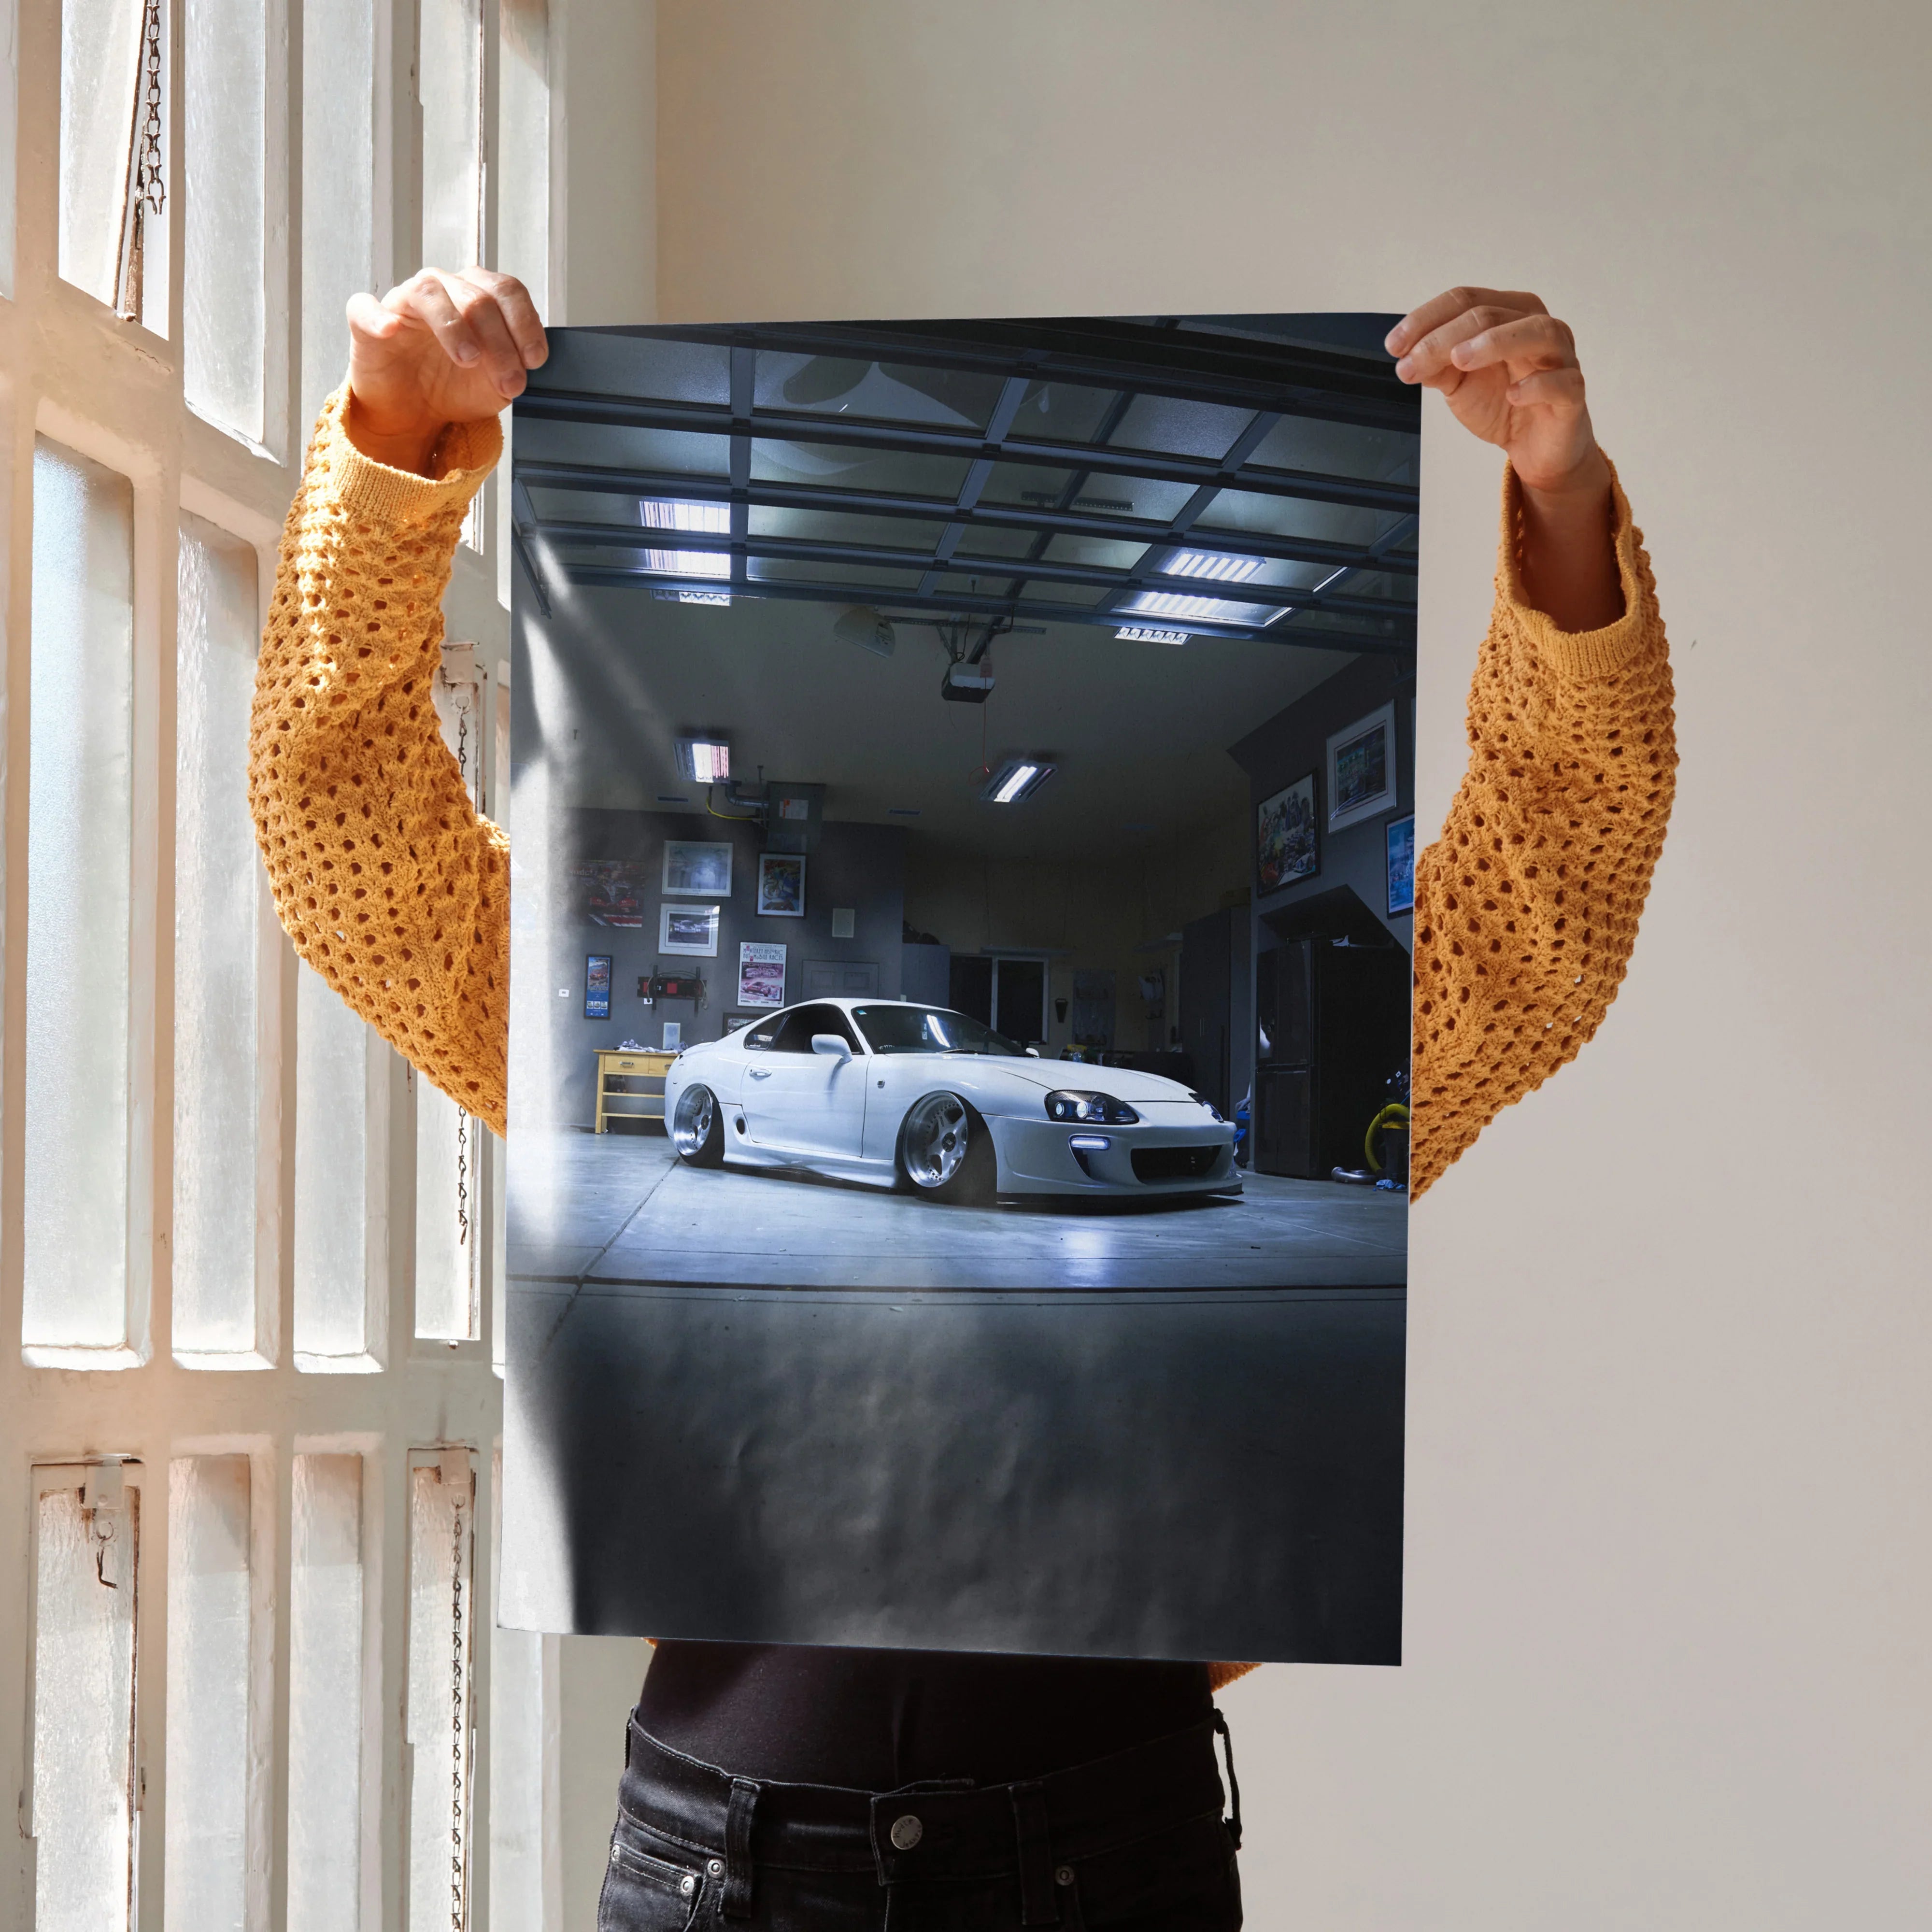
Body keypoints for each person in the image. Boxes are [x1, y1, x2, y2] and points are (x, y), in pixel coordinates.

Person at [249, 271, 1675, 1930]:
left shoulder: (1072, 1085)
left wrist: (1561, 497)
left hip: (1110, 1850)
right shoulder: (632, 1056)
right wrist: (392, 442)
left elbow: (1542, 923)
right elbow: (346, 840)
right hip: (729, 1864)